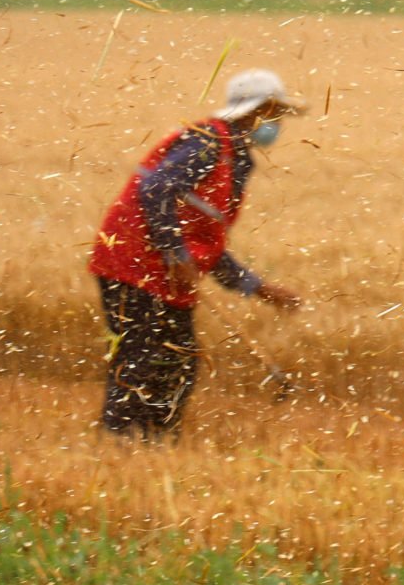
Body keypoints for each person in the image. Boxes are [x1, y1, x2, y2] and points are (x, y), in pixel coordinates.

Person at [88, 68, 306, 439]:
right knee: (141, 358)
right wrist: (175, 253)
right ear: (252, 111)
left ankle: (155, 440)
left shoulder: (237, 159)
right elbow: (155, 190)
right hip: (131, 263)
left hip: (166, 271)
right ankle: (119, 441)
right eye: (272, 112)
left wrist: (259, 288)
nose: (276, 123)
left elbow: (208, 245)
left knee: (179, 360)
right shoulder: (206, 145)